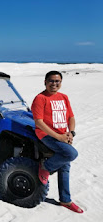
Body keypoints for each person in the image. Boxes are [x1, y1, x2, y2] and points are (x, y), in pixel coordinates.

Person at [31, 71, 83, 213]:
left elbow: (71, 117)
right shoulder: (40, 98)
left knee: (65, 166)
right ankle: (46, 166)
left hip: (62, 135)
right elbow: (39, 123)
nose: (54, 84)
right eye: (51, 81)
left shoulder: (63, 97)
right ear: (45, 82)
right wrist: (58, 137)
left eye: (57, 81)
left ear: (61, 83)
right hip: (46, 135)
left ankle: (65, 200)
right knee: (71, 154)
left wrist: (71, 133)